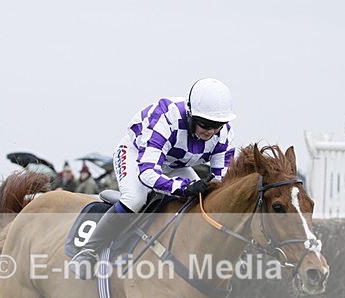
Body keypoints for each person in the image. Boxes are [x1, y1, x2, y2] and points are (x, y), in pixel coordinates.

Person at [68, 77, 237, 279]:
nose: (210, 131)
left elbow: (222, 182)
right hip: (137, 154)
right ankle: (88, 251)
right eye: (205, 124)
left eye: (217, 125)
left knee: (200, 201)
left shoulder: (224, 135)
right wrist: (184, 187)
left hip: (176, 164)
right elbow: (148, 173)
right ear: (191, 114)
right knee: (135, 199)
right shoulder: (167, 117)